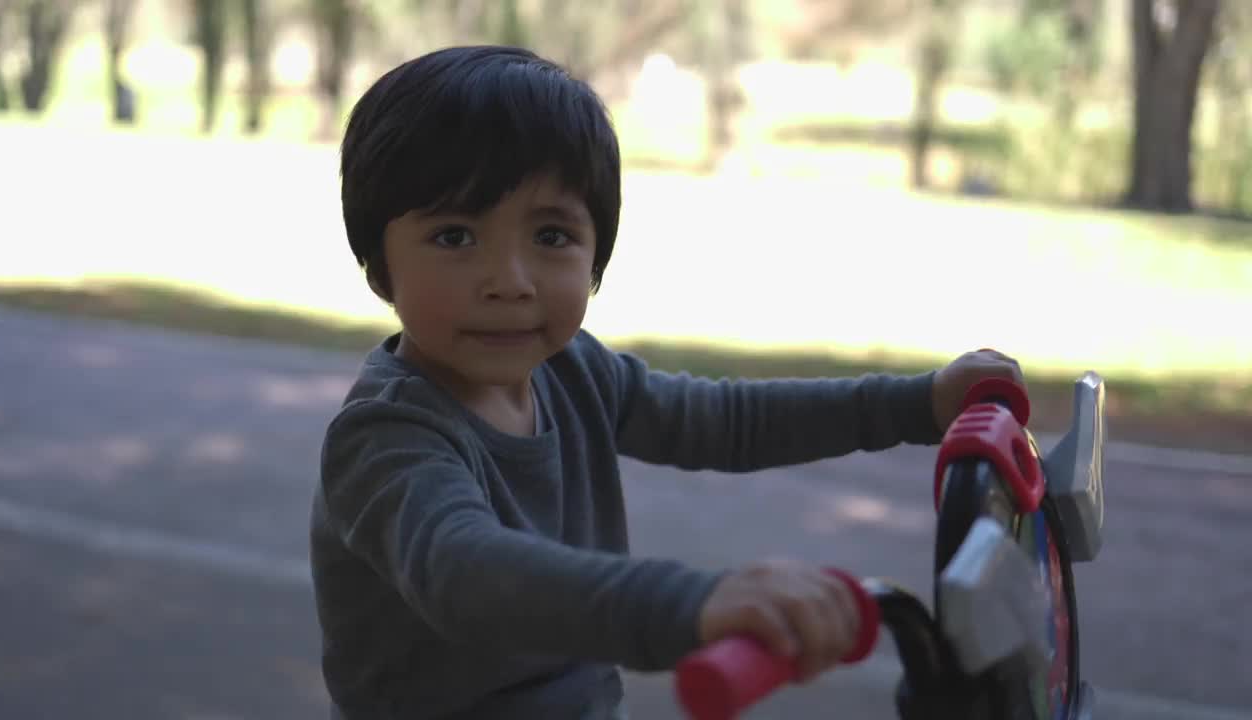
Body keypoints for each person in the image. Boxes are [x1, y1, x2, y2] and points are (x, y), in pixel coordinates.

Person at [309, 44, 1026, 720]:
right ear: (379, 265)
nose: (511, 282)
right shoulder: (388, 437)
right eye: (455, 236)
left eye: (551, 236)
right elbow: (466, 572)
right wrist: (697, 604)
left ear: (595, 257)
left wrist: (917, 403)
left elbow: (722, 421)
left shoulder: (570, 369)